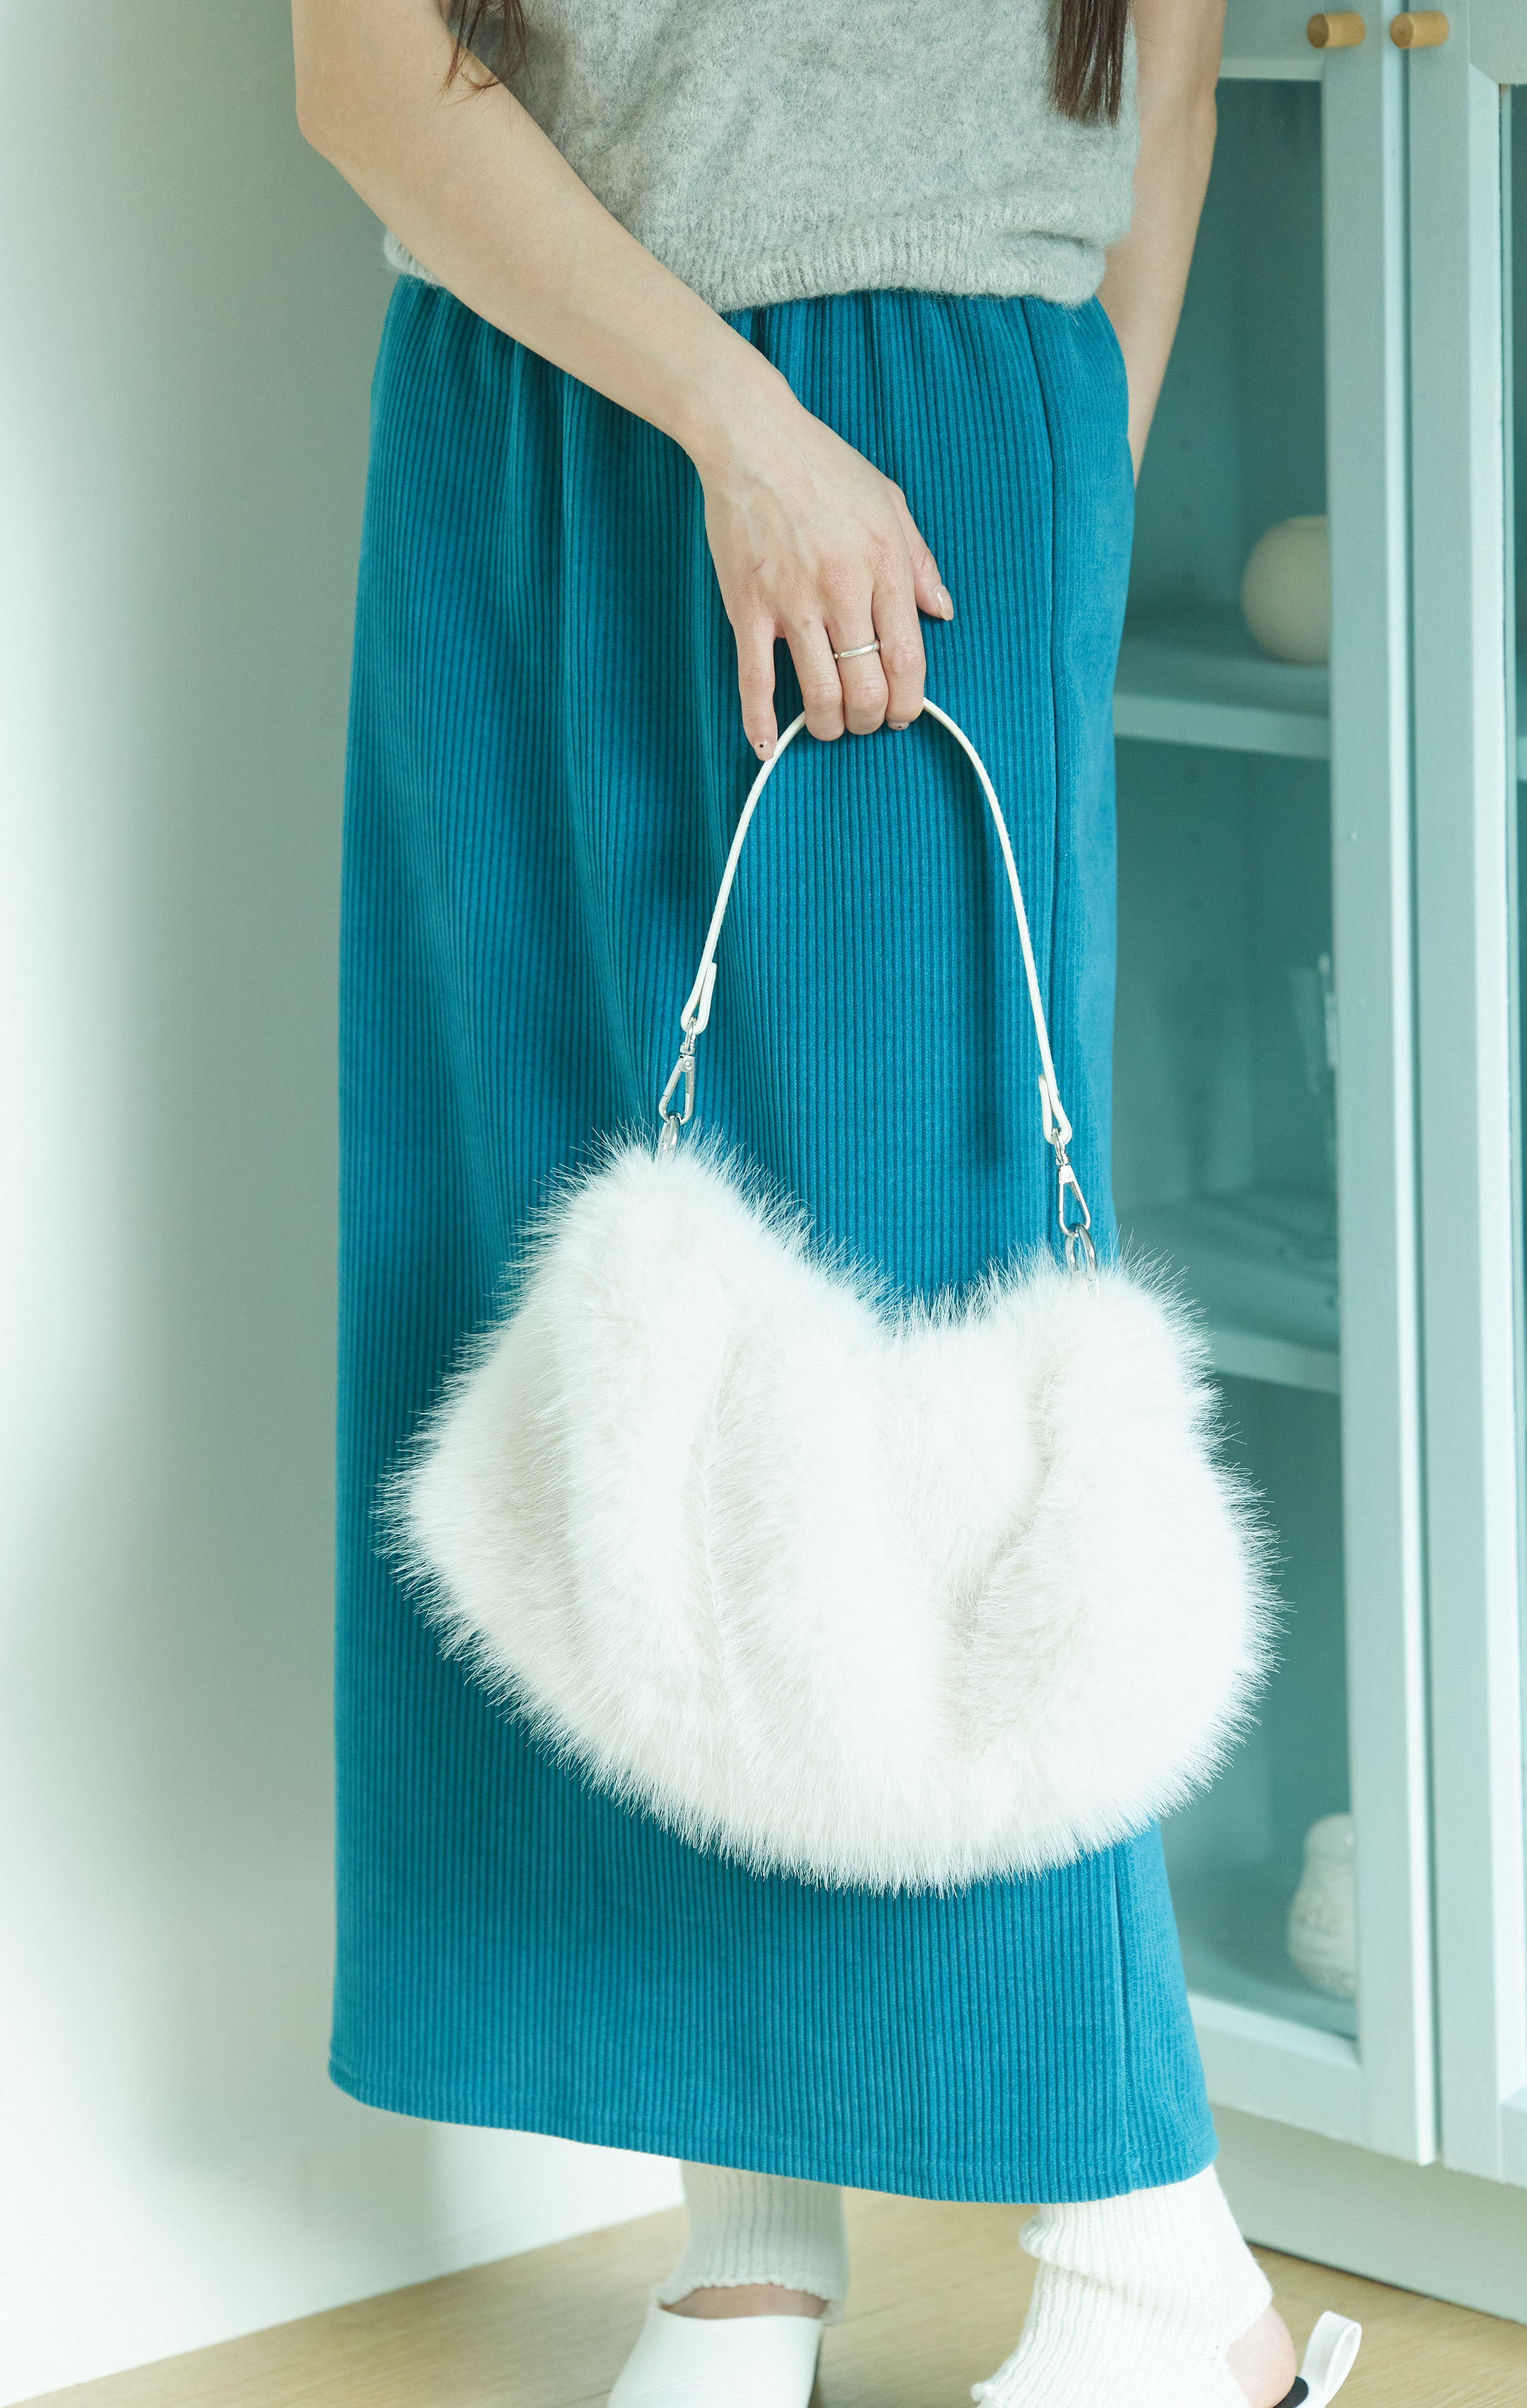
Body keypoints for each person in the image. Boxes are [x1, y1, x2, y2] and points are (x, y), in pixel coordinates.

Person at [292, 3, 1340, 2401]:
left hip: (922, 435)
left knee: (921, 1347)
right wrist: (731, 426)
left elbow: (1162, 81)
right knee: (595, 1313)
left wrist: (1049, 506)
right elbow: (368, 68)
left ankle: (1158, 2277)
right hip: (528, 410)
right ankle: (750, 2241)